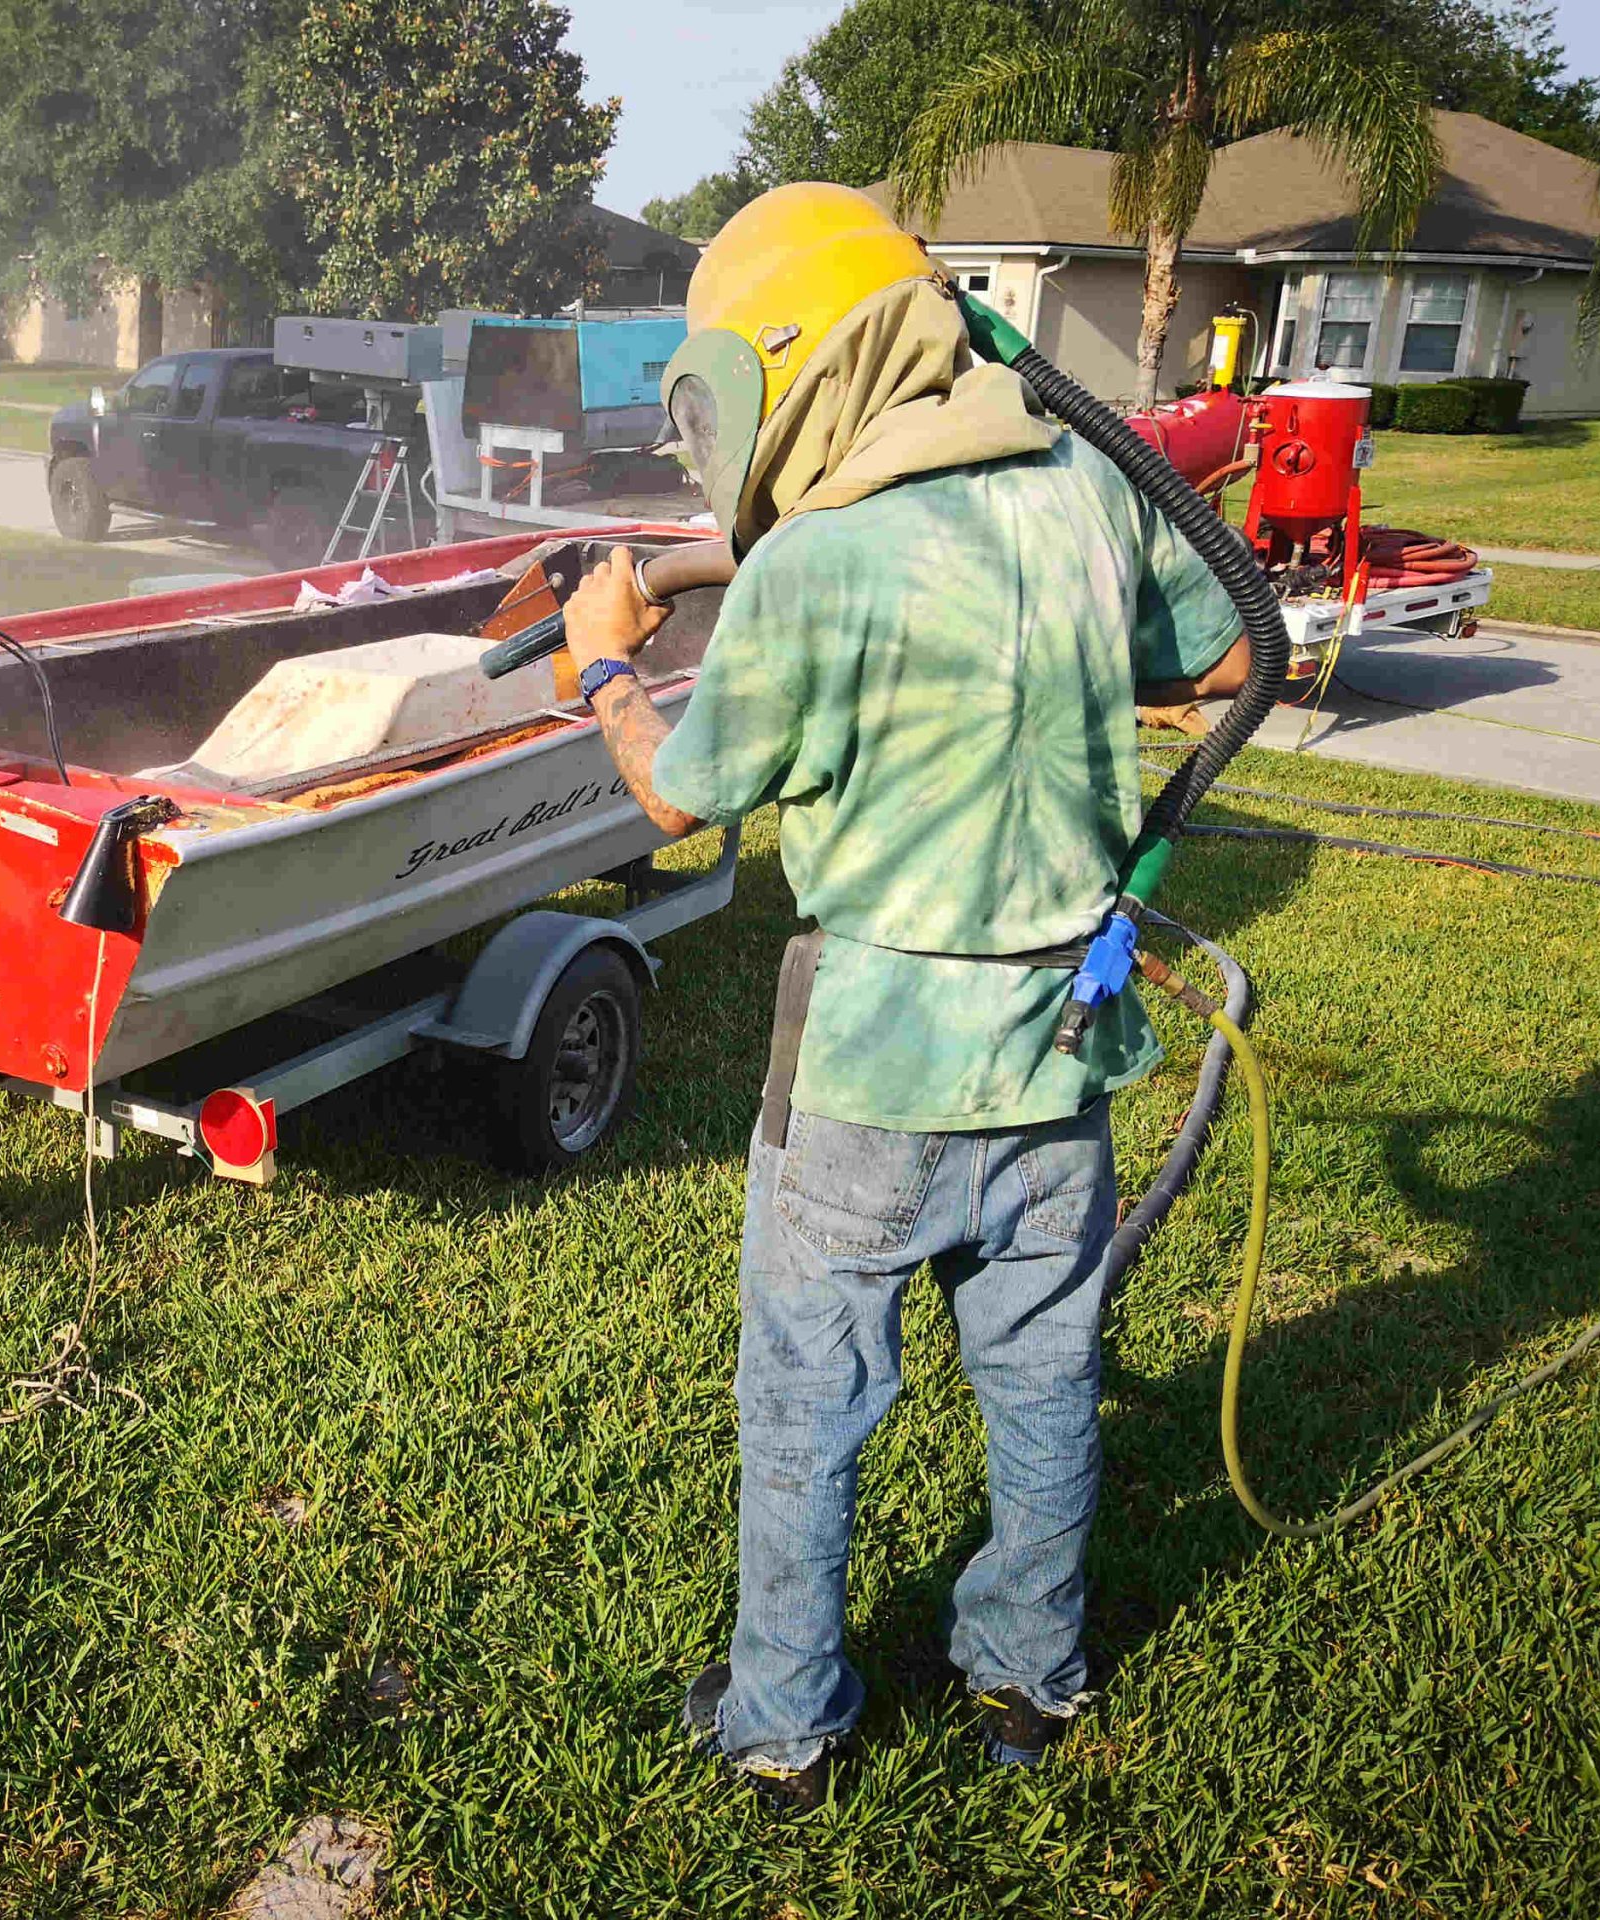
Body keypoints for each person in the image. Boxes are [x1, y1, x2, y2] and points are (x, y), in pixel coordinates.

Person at [559, 183, 1250, 1810]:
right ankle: (1030, 1675)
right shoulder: (1085, 486)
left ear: (777, 360)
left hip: (870, 1070)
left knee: (810, 1406)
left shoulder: (813, 567)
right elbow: (1229, 659)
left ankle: (786, 1724)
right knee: (1041, 1384)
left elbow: (681, 796)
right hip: (1062, 1062)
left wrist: (604, 658)